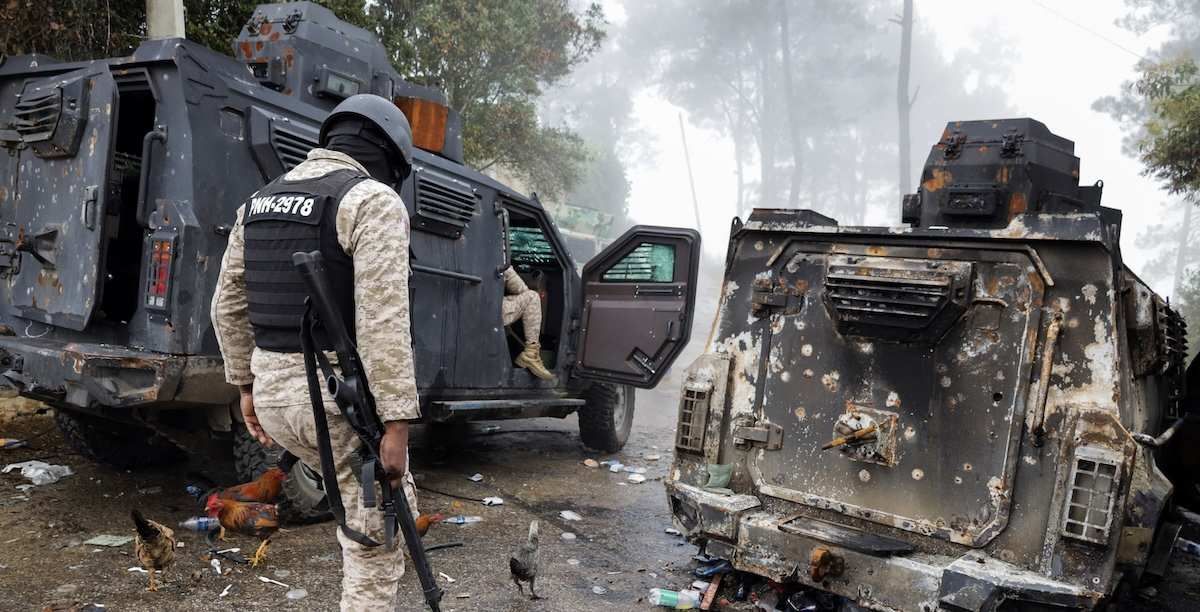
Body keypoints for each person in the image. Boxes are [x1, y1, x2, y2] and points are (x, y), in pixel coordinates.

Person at [211, 94, 420, 611]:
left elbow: (226, 306)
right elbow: (383, 324)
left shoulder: (256, 204)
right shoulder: (371, 201)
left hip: (277, 401)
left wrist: (245, 386)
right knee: (376, 539)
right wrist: (397, 423)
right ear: (388, 156)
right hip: (335, 400)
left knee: (370, 512)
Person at [502, 266, 555, 380]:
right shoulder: (493, 252)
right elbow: (516, 285)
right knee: (532, 297)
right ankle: (531, 353)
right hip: (486, 307)